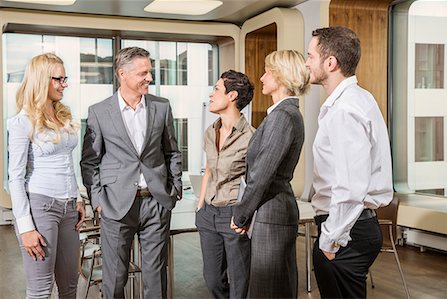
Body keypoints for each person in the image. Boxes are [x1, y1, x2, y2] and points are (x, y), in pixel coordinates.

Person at [80, 46, 182, 298]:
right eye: (143, 73)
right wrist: (97, 200)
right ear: (122, 74)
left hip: (156, 202)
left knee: (155, 276)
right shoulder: (99, 111)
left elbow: (172, 152)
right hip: (115, 204)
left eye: (150, 72)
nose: (149, 77)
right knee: (114, 278)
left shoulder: (162, 106)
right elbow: (90, 161)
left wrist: (175, 188)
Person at [305, 26, 393, 299]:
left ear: (330, 63)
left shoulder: (344, 109)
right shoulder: (356, 99)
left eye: (310, 55)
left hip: (346, 231)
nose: (306, 62)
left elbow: (351, 184)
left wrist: (330, 240)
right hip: (351, 228)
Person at [231, 50, 310, 298]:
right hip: (272, 210)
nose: (262, 77)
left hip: (272, 212)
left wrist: (240, 215)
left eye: (267, 72)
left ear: (281, 76)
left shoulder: (282, 117)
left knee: (268, 290)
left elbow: (261, 173)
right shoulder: (284, 114)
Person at [8, 53, 85, 298]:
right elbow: (15, 178)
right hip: (41, 207)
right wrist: (25, 228)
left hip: (70, 207)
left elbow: (68, 162)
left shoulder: (62, 116)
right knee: (41, 290)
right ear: (41, 80)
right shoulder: (22, 121)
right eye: (58, 79)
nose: (65, 84)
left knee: (70, 286)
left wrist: (79, 198)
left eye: (65, 78)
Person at [195, 70, 254, 299]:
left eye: (217, 89)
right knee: (213, 281)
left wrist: (244, 216)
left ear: (232, 96)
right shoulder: (211, 132)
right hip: (208, 214)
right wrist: (200, 206)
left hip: (233, 216)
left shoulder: (251, 137)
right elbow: (209, 168)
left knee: (240, 284)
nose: (211, 94)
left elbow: (254, 181)